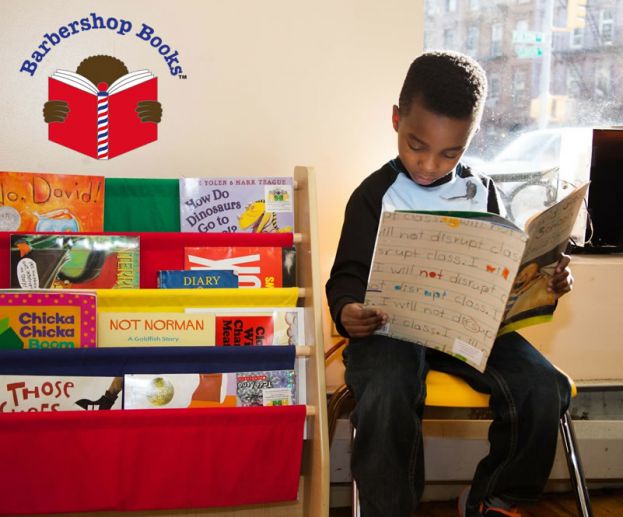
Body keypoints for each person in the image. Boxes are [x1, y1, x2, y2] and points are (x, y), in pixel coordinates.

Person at [325, 51, 574, 517]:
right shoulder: (373, 194)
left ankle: (493, 499)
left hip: (466, 330)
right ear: (396, 120)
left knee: (545, 386)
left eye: (450, 152)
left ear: (470, 139)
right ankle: (389, 508)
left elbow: (504, 263)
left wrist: (544, 279)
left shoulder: (483, 189)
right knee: (386, 385)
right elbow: (347, 275)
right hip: (390, 330)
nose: (429, 164)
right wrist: (347, 310)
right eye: (416, 145)